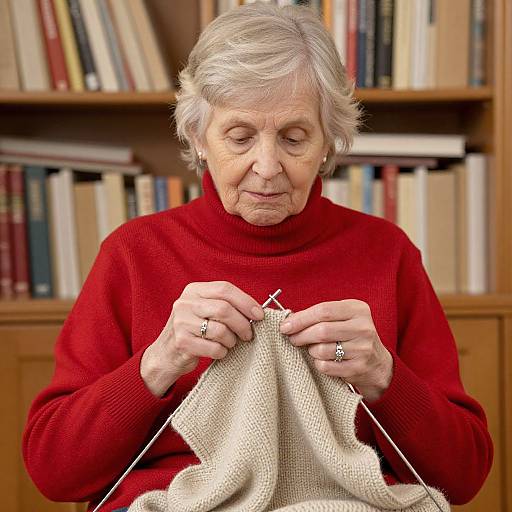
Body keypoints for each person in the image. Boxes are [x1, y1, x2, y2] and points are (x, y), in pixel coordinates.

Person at [22, 3, 492, 512]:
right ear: (199, 138)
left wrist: (384, 375)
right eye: (240, 137)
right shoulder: (133, 255)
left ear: (329, 143)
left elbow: (463, 477)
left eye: (294, 138)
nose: (267, 168)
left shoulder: (386, 253)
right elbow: (54, 471)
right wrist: (158, 363)